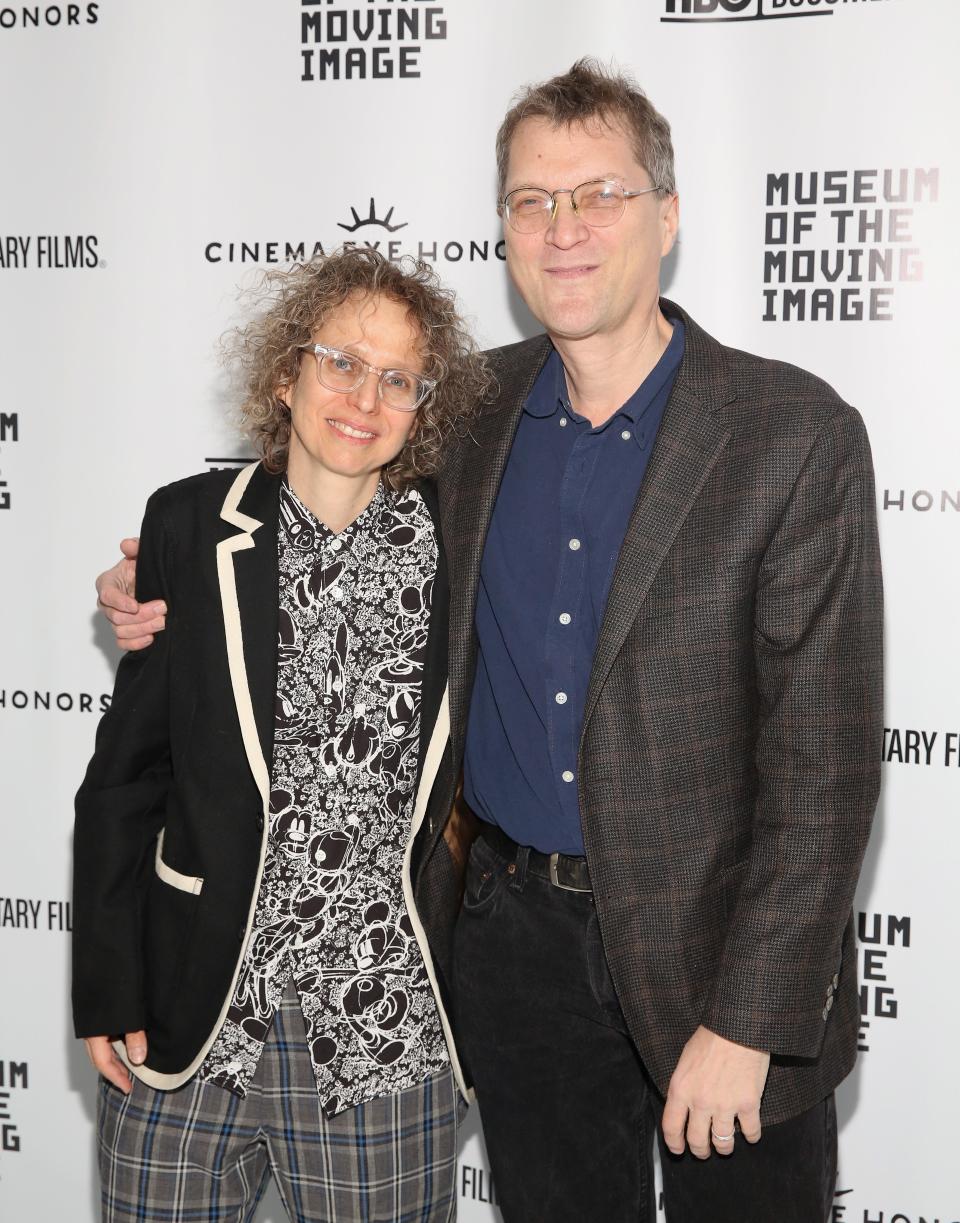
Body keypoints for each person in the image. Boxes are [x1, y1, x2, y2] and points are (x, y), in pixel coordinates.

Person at [96, 60, 883, 1223]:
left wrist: (750, 1016)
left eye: (600, 194)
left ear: (667, 217)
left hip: (718, 952)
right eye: (531, 200)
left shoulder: (793, 432)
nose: (564, 228)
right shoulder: (462, 412)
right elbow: (313, 487)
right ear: (505, 231)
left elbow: (824, 772)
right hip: (511, 948)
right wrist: (157, 577)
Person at [73, 248, 491, 1222]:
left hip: (386, 1034)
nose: (363, 395)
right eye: (340, 360)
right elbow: (127, 778)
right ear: (285, 373)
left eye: (397, 378)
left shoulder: (461, 545)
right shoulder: (188, 525)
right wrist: (106, 981)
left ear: (421, 407)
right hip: (190, 1020)